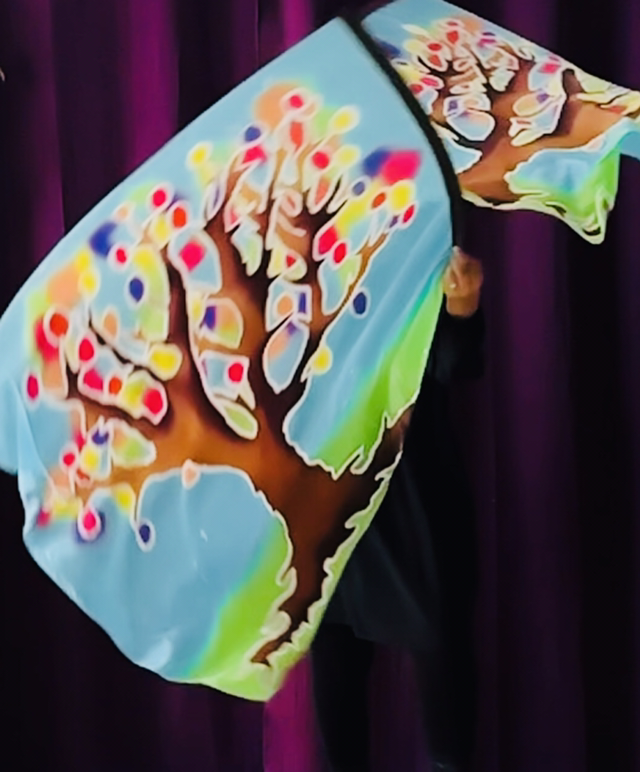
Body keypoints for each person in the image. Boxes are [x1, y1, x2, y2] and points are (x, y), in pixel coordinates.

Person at [311, 247, 485, 772]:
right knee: (337, 694)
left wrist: (462, 303)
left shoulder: (414, 233)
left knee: (447, 717)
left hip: (413, 492)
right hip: (328, 498)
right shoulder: (288, 243)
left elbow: (455, 362)